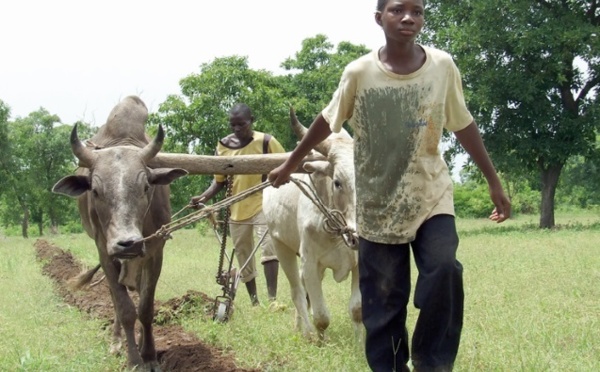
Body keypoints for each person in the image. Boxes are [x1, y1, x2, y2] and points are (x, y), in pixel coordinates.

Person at [268, 0, 511, 370]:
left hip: (430, 194)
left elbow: (462, 123)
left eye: (417, 11)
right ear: (379, 18)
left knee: (444, 270)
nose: (408, 17)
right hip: (376, 202)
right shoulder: (359, 72)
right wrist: (290, 162)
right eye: (398, 10)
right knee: (383, 298)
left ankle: (431, 362)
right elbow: (327, 120)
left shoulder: (442, 66)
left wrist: (493, 181)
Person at [191, 103, 285, 306]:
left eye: (241, 124)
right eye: (232, 125)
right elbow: (219, 180)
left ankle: (272, 300)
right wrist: (204, 198)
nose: (236, 129)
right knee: (243, 255)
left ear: (251, 121)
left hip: (263, 202)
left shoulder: (266, 141)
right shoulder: (223, 146)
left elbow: (284, 167)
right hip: (236, 207)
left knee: (268, 247)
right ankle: (254, 302)